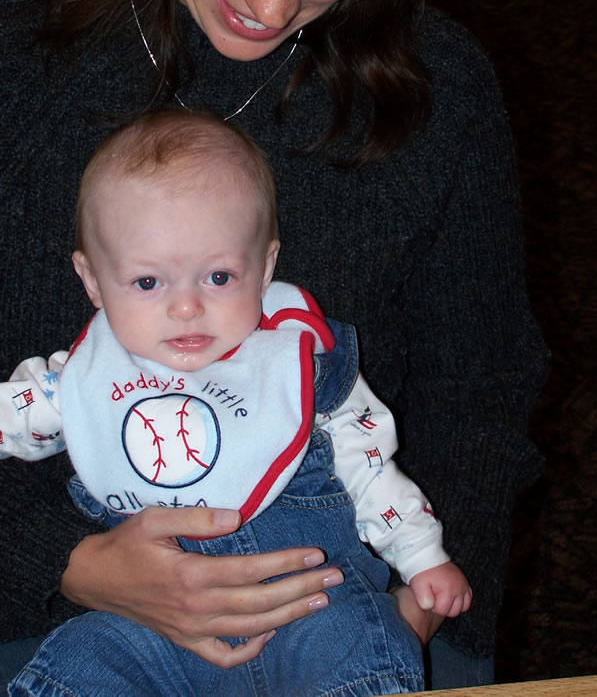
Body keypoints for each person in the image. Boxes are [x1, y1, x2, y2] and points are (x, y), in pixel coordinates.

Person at [0, 0, 548, 690]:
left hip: (343, 605)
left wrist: (422, 613)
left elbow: (476, 390)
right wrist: (67, 562)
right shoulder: (15, 49)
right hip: (48, 603)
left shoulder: (441, 93)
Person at [3, 108, 472, 695]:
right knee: (79, 657)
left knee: (363, 645)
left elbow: (371, 466)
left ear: (265, 265)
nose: (186, 307)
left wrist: (422, 555)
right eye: (147, 282)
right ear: (93, 280)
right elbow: (14, 416)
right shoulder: (76, 380)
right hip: (150, 628)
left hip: (315, 609)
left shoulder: (301, 368)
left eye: (219, 277)